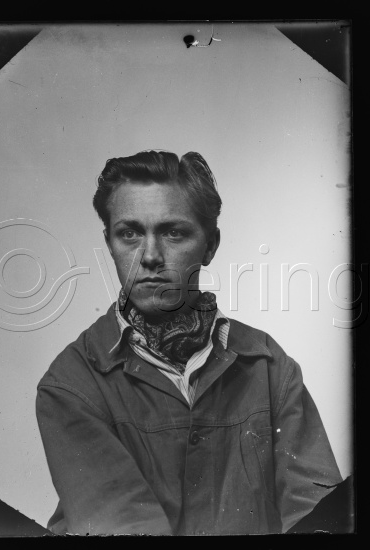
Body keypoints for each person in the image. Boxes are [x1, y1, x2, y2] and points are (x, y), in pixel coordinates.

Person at [36, 150, 343, 536]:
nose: (150, 256)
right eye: (129, 233)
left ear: (210, 245)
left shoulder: (270, 366)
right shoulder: (71, 382)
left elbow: (320, 519)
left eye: (173, 233)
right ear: (109, 244)